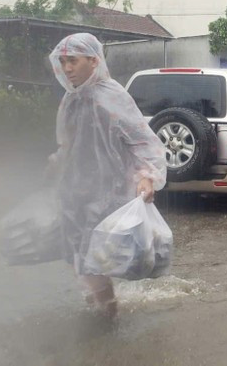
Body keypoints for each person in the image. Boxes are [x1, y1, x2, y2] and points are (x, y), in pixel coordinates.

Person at [46, 33, 167, 317]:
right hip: (75, 191)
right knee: (79, 256)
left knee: (95, 258)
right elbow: (68, 142)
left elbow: (143, 141)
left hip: (107, 192)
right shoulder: (71, 100)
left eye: (72, 61)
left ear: (92, 60)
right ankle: (99, 308)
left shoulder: (111, 97)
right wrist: (55, 162)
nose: (67, 68)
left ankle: (107, 320)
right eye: (63, 62)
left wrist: (147, 176)